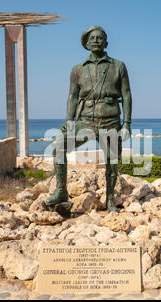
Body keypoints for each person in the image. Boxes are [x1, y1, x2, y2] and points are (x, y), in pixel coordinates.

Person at [46, 25, 132, 213]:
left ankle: (110, 201)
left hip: (110, 120)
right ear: (85, 43)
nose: (95, 40)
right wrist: (69, 121)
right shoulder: (77, 70)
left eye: (99, 38)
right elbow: (72, 97)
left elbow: (126, 95)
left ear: (106, 42)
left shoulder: (118, 66)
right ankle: (61, 191)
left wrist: (127, 124)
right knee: (58, 147)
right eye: (92, 38)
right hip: (84, 120)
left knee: (112, 161)